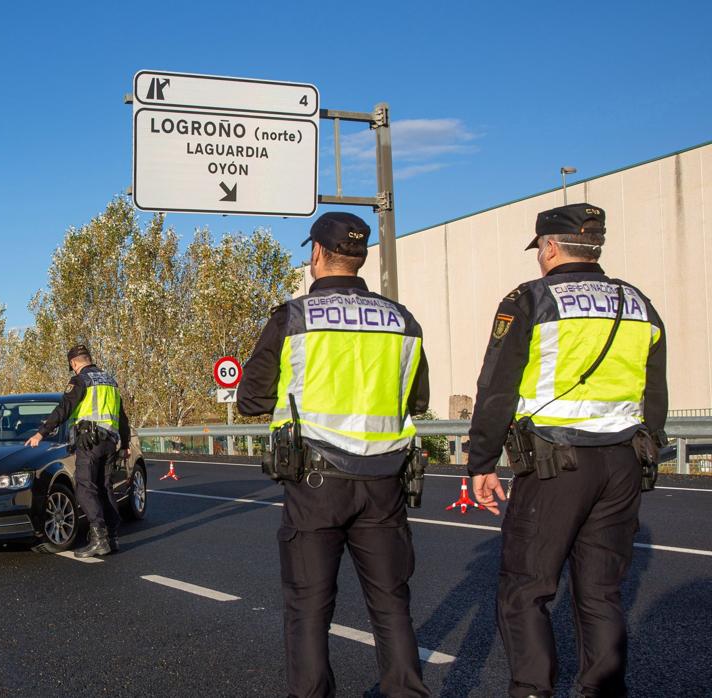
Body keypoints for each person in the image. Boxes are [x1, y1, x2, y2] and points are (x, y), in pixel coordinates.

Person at [467, 203, 667, 698]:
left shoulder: (529, 299)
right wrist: (647, 448)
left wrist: (482, 463)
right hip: (622, 461)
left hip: (557, 463)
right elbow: (655, 392)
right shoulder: (638, 302)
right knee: (601, 593)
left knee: (526, 590)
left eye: (539, 249)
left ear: (550, 246)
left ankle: (532, 691)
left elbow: (497, 389)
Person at [238, 212, 431, 698]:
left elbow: (252, 400)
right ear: (359, 257)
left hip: (316, 482)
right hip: (385, 481)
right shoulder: (402, 319)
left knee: (308, 607)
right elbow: (418, 400)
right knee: (391, 605)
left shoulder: (292, 316)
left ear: (318, 254)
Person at [25, 344, 131, 558]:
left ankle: (99, 539)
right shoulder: (109, 380)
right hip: (110, 441)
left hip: (90, 442)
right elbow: (123, 416)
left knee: (84, 488)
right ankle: (112, 537)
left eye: (72, 366)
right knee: (104, 488)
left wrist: (41, 433)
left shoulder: (80, 380)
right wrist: (126, 443)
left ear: (74, 363)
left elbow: (64, 408)